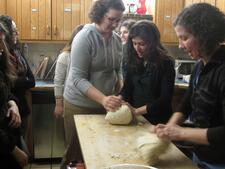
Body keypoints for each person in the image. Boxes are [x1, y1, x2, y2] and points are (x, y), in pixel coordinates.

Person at [151, 3, 225, 169]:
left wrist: (180, 132)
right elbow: (186, 103)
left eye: (184, 38)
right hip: (201, 156)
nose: (180, 45)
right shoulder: (200, 66)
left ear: (205, 35)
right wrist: (169, 127)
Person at [62, 0, 125, 168]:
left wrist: (120, 87)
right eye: (111, 19)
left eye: (118, 21)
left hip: (104, 104)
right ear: (99, 14)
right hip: (78, 105)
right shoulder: (84, 37)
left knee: (98, 152)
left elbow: (117, 69)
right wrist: (104, 99)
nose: (115, 25)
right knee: (75, 155)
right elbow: (77, 78)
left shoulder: (117, 40)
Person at [119, 20, 175, 125]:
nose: (137, 48)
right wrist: (118, 99)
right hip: (135, 119)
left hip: (158, 121)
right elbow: (127, 89)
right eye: (134, 43)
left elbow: (165, 99)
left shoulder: (166, 63)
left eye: (142, 44)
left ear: (152, 43)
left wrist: (136, 111)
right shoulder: (132, 61)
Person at [0, 15, 35, 145]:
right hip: (9, 114)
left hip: (22, 108)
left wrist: (18, 81)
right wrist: (20, 80)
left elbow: (32, 80)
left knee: (21, 146)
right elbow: (9, 85)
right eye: (14, 31)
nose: (17, 33)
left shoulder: (17, 52)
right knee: (16, 150)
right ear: (6, 34)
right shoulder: (3, 56)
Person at [0, 21, 28, 169]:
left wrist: (13, 103)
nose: (2, 48)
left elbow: (6, 92)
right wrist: (13, 149)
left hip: (9, 137)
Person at [54, 24, 84, 118]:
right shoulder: (65, 56)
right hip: (71, 102)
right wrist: (59, 105)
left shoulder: (91, 56)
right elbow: (58, 82)